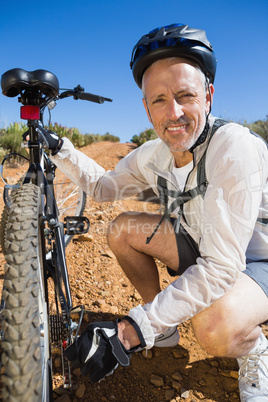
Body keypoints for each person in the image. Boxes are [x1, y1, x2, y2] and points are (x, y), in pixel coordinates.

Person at [44, 24, 268, 401]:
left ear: (209, 96)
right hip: (205, 245)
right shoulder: (151, 155)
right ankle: (164, 329)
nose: (174, 112)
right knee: (122, 229)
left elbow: (221, 267)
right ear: (147, 109)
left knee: (213, 325)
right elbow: (103, 188)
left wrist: (132, 331)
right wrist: (61, 149)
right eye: (160, 100)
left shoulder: (233, 147)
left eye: (185, 96)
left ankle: (254, 349)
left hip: (257, 259)